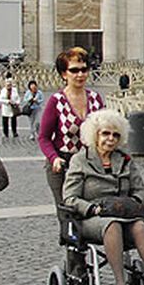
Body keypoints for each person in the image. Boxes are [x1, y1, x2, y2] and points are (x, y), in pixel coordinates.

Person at [63, 109, 144, 285]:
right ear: (95, 134)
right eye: (105, 133)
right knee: (112, 225)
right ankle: (120, 280)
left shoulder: (125, 160)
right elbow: (70, 198)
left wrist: (131, 203)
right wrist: (92, 209)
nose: (111, 139)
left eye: (116, 135)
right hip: (94, 217)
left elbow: (141, 191)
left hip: (125, 213)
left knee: (140, 226)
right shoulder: (80, 160)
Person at [39, 47, 106, 208]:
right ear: (64, 74)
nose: (80, 75)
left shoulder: (96, 99)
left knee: (91, 212)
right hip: (63, 163)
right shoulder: (57, 101)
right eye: (74, 70)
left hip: (91, 163)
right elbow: (44, 137)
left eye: (84, 70)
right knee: (67, 214)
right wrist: (54, 158)